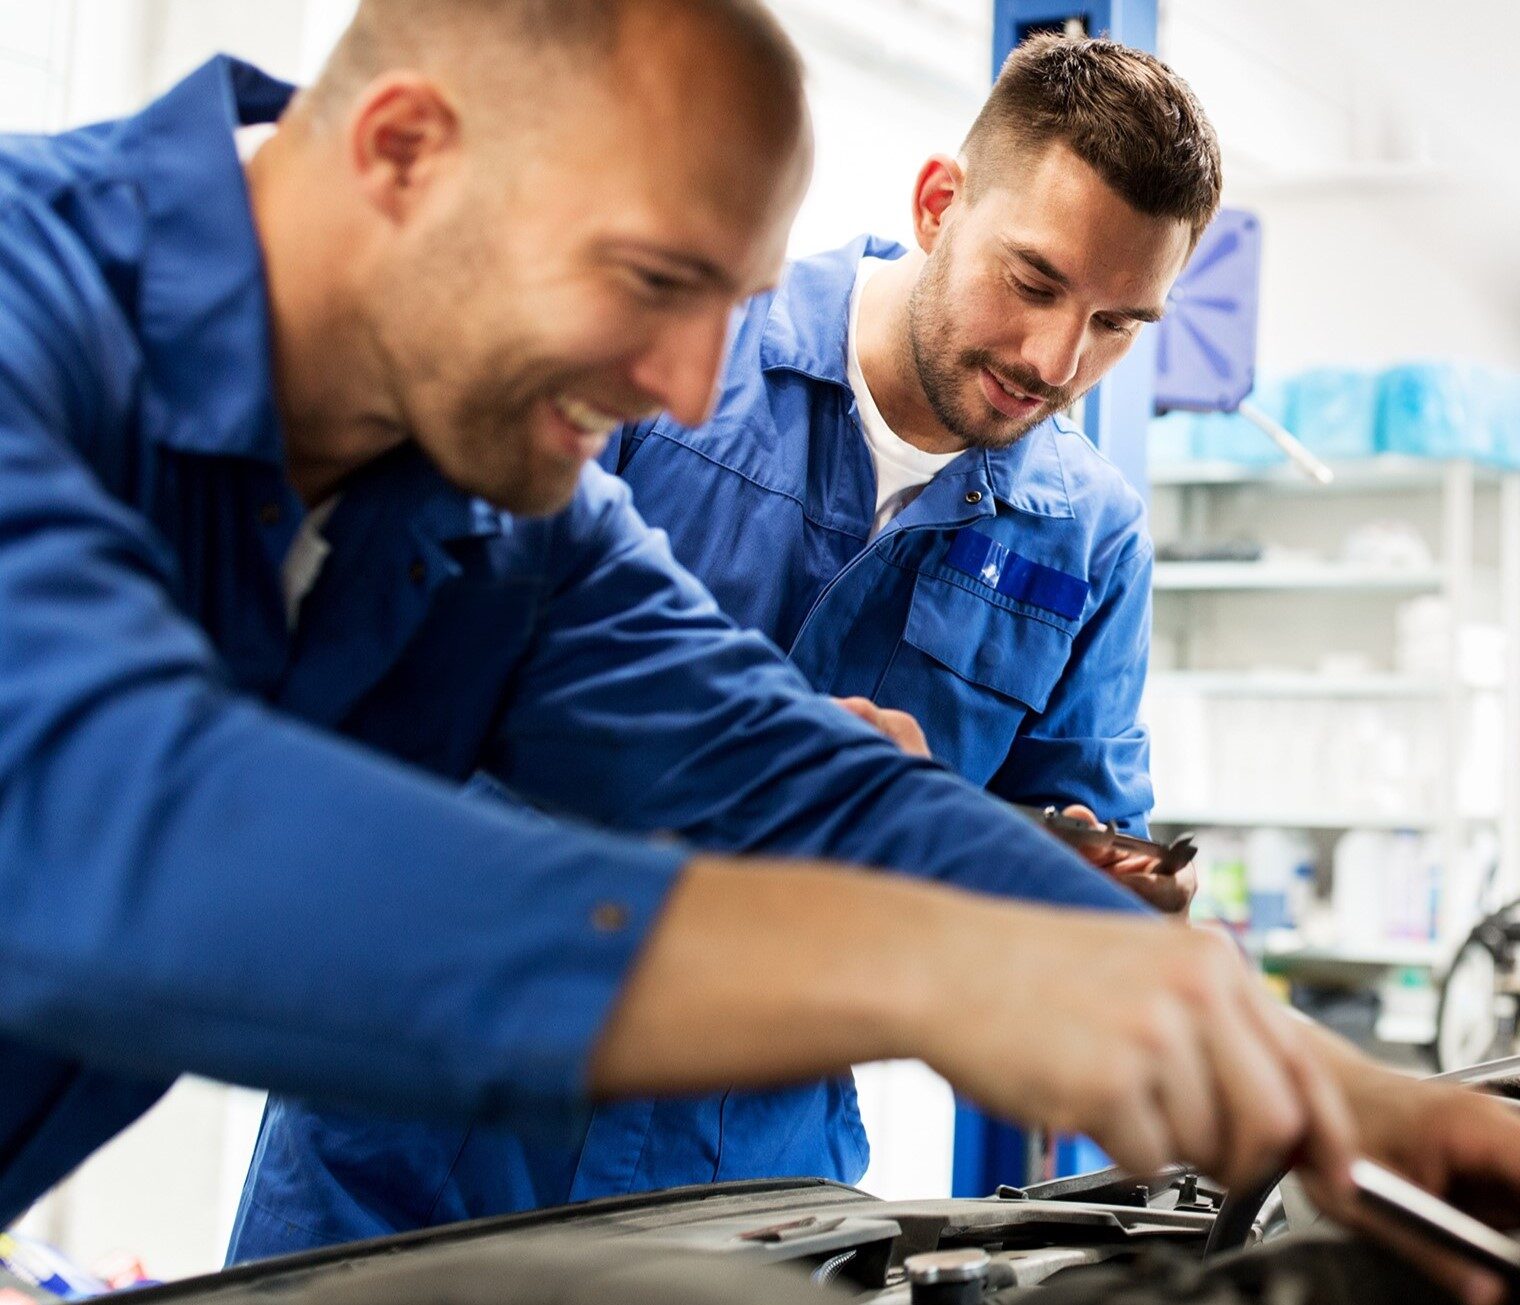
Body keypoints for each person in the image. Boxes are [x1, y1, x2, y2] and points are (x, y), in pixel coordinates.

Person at [1, 6, 1517, 1303]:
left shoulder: (500, 518)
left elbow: (813, 782)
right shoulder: (28, 312)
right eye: (652, 283)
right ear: (403, 149)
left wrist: (1321, 1081)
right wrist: (922, 966)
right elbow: (108, 827)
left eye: (724, 305)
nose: (681, 382)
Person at [604, 32, 1205, 917]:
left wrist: (1113, 896)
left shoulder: (1092, 538)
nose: (1056, 361)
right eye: (1034, 282)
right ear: (938, 206)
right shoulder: (682, 347)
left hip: (786, 1043)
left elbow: (1075, 857)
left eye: (1117, 323)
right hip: (511, 995)